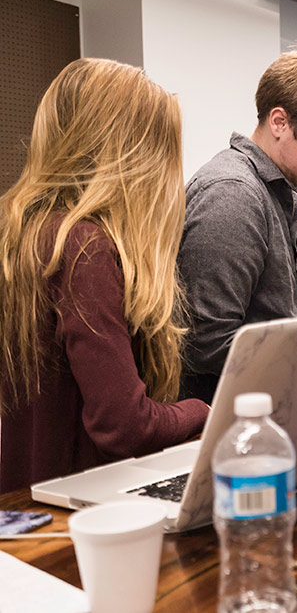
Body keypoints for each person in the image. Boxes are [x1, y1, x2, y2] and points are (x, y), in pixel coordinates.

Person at [0, 59, 210, 493]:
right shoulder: (83, 247)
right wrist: (205, 411)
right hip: (84, 496)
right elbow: (123, 427)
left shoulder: (19, 233)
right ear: (134, 158)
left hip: (27, 499)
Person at [178, 48, 297, 402]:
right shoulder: (233, 195)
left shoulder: (283, 193)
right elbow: (206, 343)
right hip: (234, 415)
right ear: (279, 122)